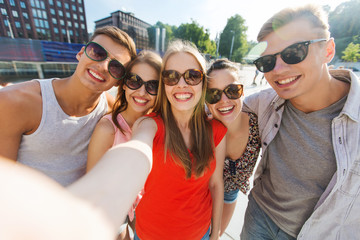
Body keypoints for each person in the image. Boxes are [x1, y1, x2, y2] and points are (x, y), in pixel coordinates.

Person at [241, 4, 360, 239]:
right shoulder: (262, 103)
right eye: (266, 62)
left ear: (328, 50)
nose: (278, 69)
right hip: (258, 219)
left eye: (294, 52)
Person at [0, 26, 136, 186]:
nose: (103, 66)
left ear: (119, 81)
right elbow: (4, 182)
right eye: (97, 53)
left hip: (80, 205)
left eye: (116, 67)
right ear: (81, 53)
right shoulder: (16, 101)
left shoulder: (111, 110)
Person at [130, 40, 227, 240]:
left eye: (192, 76)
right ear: (163, 84)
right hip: (149, 235)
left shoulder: (216, 131)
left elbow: (216, 185)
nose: (181, 84)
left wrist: (215, 234)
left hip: (200, 233)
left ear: (203, 82)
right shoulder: (148, 125)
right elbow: (135, 148)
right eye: (171, 76)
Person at [0, 138, 152, 240]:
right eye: (134, 86)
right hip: (101, 216)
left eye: (152, 87)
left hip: (132, 213)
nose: (142, 92)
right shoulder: (108, 126)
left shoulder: (109, 107)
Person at [86, 50, 162, 240]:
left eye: (152, 85)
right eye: (135, 81)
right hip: (113, 208)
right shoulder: (107, 129)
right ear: (125, 85)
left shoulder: (159, 124)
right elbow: (93, 186)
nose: (142, 92)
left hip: (146, 205)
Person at [206, 59, 261, 235]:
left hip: (231, 194)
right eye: (213, 95)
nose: (224, 100)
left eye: (232, 90)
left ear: (243, 91)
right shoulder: (202, 128)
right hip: (200, 196)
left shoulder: (260, 124)